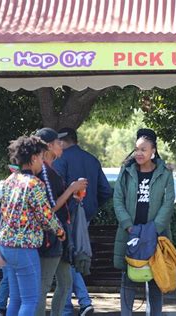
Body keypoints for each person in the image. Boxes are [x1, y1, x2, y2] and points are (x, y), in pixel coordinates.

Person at [0, 135, 66, 316]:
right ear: (34, 158)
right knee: (30, 300)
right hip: (24, 247)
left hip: (6, 245)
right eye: (42, 158)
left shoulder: (9, 180)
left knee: (16, 298)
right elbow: (45, 215)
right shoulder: (34, 184)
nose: (43, 163)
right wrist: (59, 232)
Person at [113, 128, 175, 315]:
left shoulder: (164, 172)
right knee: (128, 279)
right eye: (137, 149)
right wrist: (127, 224)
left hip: (156, 234)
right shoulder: (126, 171)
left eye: (144, 149)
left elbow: (169, 202)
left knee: (156, 279)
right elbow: (118, 199)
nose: (139, 153)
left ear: (153, 151)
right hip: (130, 232)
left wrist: (154, 228)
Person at [53, 127, 113, 316]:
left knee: (68, 258)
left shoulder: (60, 160)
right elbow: (105, 190)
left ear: (61, 142)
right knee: (73, 257)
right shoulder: (92, 159)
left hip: (65, 216)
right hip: (85, 217)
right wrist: (90, 207)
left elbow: (55, 191)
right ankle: (71, 306)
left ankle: (79, 303)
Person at [34, 128, 87, 316]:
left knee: (66, 283)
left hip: (60, 236)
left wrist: (73, 194)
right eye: (58, 142)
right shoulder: (45, 172)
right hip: (51, 236)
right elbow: (50, 208)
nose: (61, 146)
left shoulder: (50, 170)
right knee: (44, 285)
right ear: (48, 146)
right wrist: (72, 188)